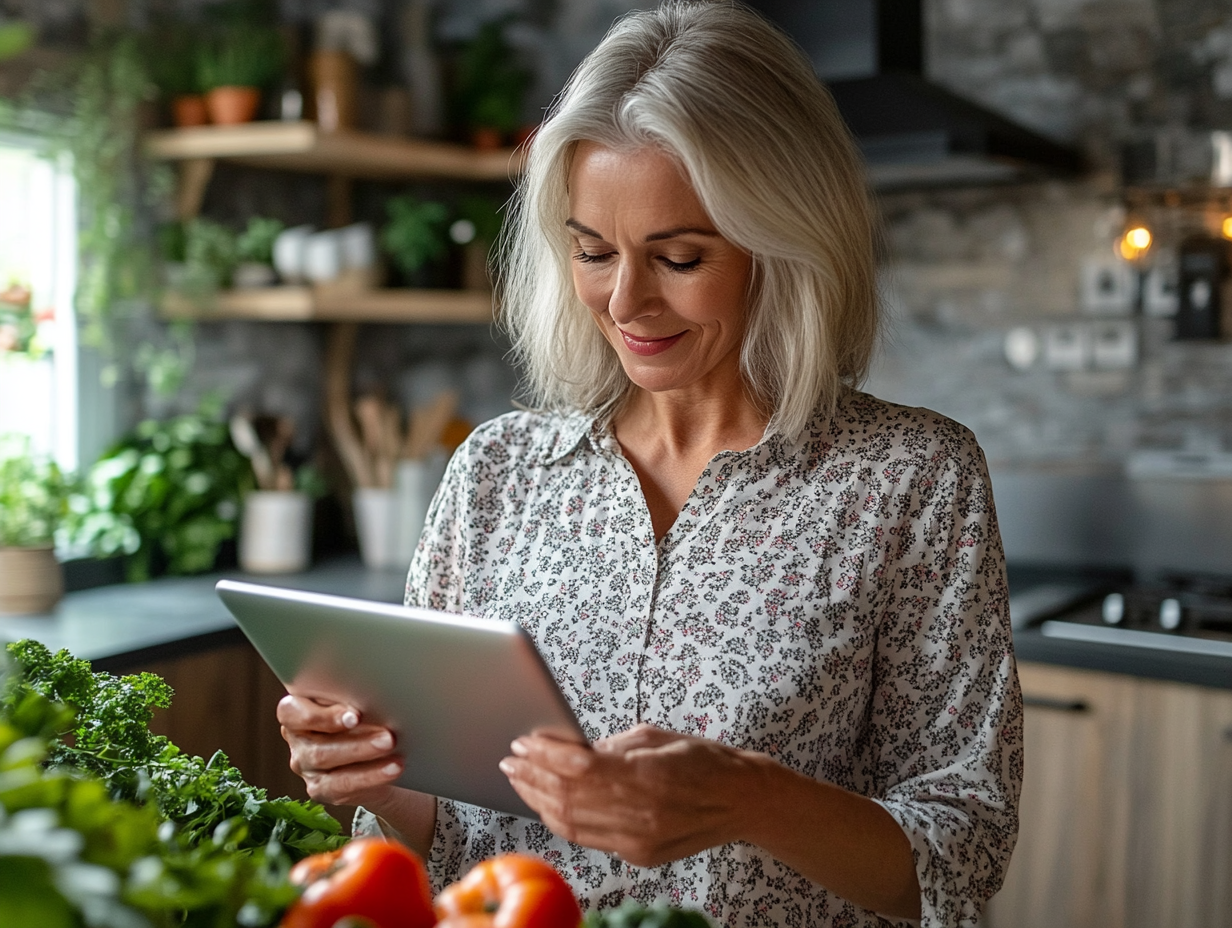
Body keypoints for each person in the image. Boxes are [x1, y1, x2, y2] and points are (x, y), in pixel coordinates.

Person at [277, 3, 1023, 926]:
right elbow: (447, 838)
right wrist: (380, 782)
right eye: (593, 252)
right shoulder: (497, 476)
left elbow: (963, 850)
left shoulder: (912, 480)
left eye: (678, 257)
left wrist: (751, 797)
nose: (625, 300)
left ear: (782, 247)